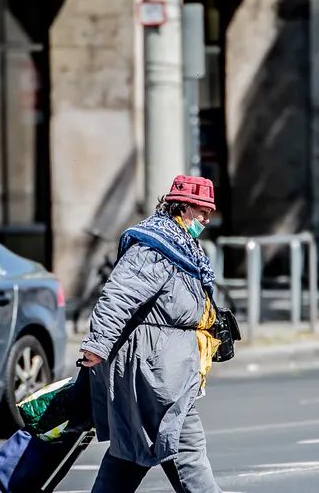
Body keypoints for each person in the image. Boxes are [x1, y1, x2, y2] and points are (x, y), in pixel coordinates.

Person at [79, 175, 223, 493]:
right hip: (157, 372)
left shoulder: (180, 247)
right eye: (201, 211)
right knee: (185, 448)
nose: (206, 218)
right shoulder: (155, 246)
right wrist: (98, 344)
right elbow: (119, 294)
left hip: (163, 367)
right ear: (182, 207)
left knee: (131, 454)